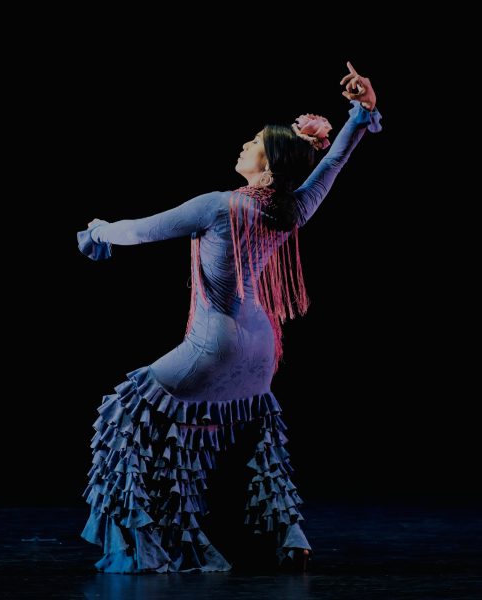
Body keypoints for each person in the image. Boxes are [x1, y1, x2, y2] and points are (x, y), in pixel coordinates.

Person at [77, 62, 382, 574]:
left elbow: (143, 231)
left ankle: (146, 548)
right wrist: (362, 114)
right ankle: (288, 537)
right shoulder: (292, 208)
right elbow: (332, 166)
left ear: (269, 163)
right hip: (262, 350)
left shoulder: (219, 205)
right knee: (248, 433)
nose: (245, 144)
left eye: (255, 142)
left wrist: (97, 231)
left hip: (215, 343)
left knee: (125, 416)